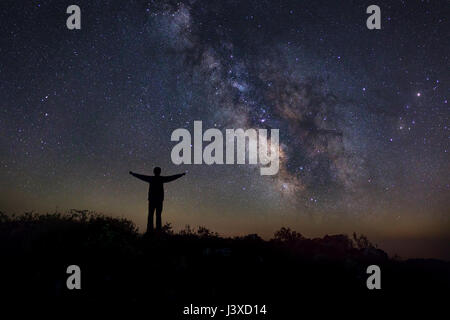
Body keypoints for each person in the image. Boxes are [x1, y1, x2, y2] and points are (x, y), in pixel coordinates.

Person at [129, 167, 185, 232]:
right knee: (157, 216)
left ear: (154, 171)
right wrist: (180, 175)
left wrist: (133, 174)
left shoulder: (152, 178)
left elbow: (142, 177)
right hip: (158, 200)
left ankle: (150, 231)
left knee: (151, 215)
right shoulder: (161, 179)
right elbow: (171, 178)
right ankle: (157, 231)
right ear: (159, 172)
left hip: (153, 200)